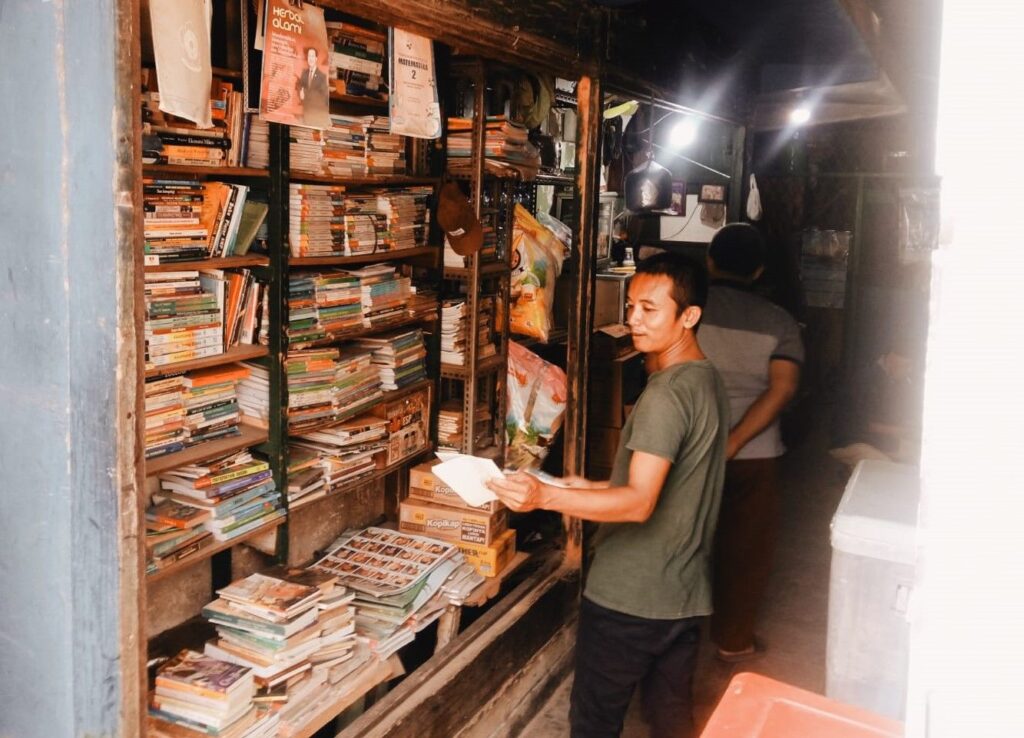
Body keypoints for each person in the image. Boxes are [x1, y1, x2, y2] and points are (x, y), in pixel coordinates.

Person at [488, 253, 729, 738]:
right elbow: (665, 485)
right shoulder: (706, 380)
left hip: (630, 597)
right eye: (631, 305)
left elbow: (640, 502)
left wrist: (544, 499)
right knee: (670, 719)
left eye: (649, 309)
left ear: (689, 316)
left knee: (595, 722)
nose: (632, 320)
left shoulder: (664, 396)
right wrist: (577, 487)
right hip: (682, 596)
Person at [698, 223, 804, 662]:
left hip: (689, 449)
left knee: (681, 542)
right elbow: (782, 389)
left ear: (710, 261)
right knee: (745, 551)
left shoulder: (690, 311)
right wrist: (736, 440)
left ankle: (672, 639)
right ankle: (734, 641)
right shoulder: (779, 322)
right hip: (754, 456)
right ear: (759, 271)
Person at [296, 46, 329, 125]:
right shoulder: (304, 73)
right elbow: (300, 85)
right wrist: (300, 92)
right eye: (309, 56)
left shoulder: (322, 76)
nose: (310, 58)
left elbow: (323, 96)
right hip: (305, 112)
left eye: (312, 56)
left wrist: (305, 93)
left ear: (316, 58)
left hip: (316, 114)